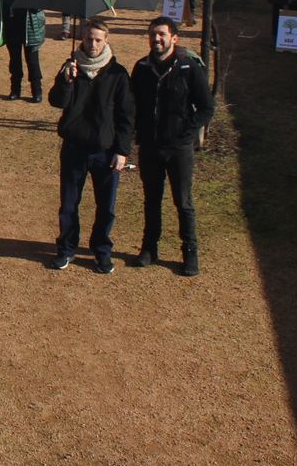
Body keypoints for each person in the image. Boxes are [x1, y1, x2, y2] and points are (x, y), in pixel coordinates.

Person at [46, 18, 133, 274]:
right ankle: (66, 248)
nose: (92, 44)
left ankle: (101, 250)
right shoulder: (71, 66)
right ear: (82, 39)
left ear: (106, 41)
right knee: (69, 203)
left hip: (105, 151)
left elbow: (126, 116)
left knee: (106, 206)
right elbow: (57, 102)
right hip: (74, 147)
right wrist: (66, 81)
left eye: (98, 40)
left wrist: (122, 151)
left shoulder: (117, 73)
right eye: (88, 39)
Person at [129, 17, 214, 277]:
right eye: (153, 35)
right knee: (151, 199)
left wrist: (187, 132)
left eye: (162, 35)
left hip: (179, 148)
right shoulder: (142, 68)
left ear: (174, 38)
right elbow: (133, 105)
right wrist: (137, 132)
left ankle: (190, 252)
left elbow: (206, 107)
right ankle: (149, 248)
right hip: (150, 146)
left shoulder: (188, 67)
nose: (157, 39)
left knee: (183, 201)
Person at [0, 0, 44, 102]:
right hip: (10, 25)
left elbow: (39, 7)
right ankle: (15, 90)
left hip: (29, 27)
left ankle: (37, 91)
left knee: (32, 61)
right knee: (15, 60)